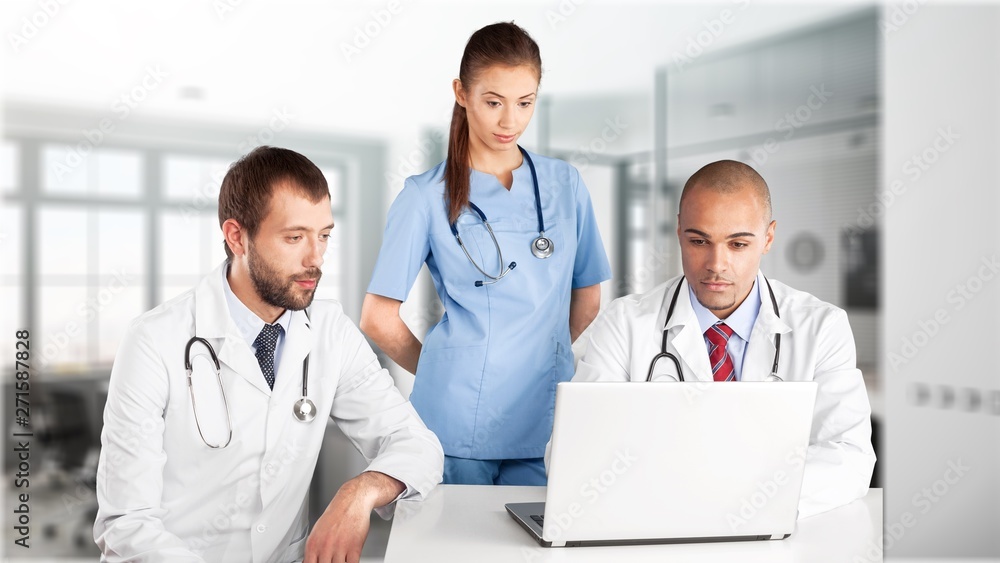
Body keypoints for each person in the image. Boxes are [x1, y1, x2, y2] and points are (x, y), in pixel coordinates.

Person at [94, 146, 443, 563]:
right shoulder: (155, 339)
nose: (315, 260)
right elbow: (127, 522)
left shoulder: (331, 331)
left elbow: (417, 445)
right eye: (294, 238)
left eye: (324, 236)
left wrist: (360, 491)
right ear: (237, 236)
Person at [360, 22, 611, 486]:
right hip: (456, 421)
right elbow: (378, 317)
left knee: (536, 552)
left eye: (525, 102)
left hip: (544, 417)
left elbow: (588, 298)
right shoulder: (425, 196)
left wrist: (541, 355)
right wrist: (444, 370)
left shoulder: (565, 185)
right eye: (493, 102)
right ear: (461, 93)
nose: (509, 121)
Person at [571, 160, 875, 518]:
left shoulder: (822, 327)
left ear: (768, 238)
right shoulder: (624, 324)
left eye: (738, 244)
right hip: (656, 532)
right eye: (699, 241)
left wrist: (740, 500)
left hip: (773, 536)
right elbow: (576, 451)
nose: (716, 264)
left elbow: (849, 457)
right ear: (679, 233)